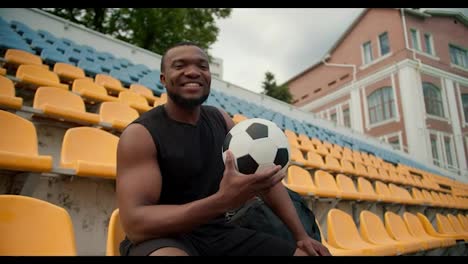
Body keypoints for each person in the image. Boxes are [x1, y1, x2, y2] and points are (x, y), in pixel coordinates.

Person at [116, 41, 331, 256]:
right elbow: (136, 224)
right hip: (162, 239)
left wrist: (302, 236)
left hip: (217, 233)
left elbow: (267, 181)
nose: (192, 72)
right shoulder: (140, 135)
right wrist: (220, 202)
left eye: (202, 66)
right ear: (163, 78)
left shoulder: (221, 120)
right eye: (180, 66)